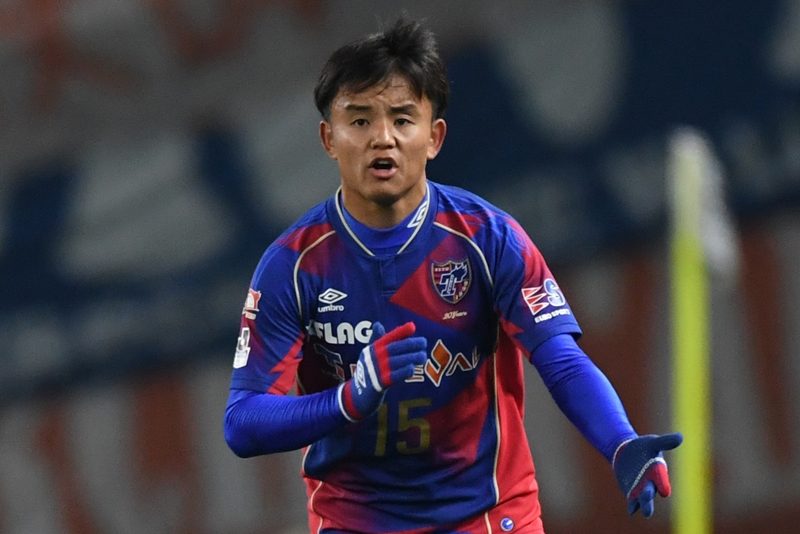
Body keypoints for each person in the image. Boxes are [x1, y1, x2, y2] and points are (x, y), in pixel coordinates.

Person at [223, 17, 682, 534]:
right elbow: (242, 423)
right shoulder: (292, 266)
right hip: (356, 522)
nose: (382, 139)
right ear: (329, 138)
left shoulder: (489, 239)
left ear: (434, 137)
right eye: (360, 121)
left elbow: (561, 360)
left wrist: (620, 442)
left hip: (488, 515)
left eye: (402, 119)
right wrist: (349, 398)